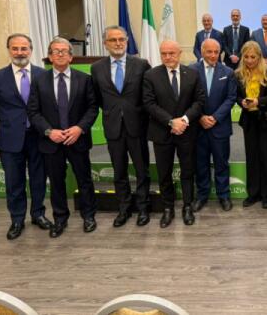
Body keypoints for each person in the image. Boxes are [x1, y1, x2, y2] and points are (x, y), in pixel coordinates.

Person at [27, 37, 99, 238]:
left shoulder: (84, 79)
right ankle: (60, 219)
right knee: (57, 182)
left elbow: (92, 108)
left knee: (84, 180)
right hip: (51, 142)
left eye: (64, 51)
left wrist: (79, 128)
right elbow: (33, 111)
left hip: (77, 139)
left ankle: (89, 216)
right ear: (50, 57)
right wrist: (49, 131)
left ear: (71, 56)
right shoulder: (39, 80)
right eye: (55, 51)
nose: (60, 54)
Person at [91, 25, 152, 228]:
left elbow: (147, 95)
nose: (118, 43)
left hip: (137, 126)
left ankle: (143, 208)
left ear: (127, 41)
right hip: (113, 127)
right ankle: (124, 208)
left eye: (121, 39)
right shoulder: (97, 68)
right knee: (119, 171)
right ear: (105, 43)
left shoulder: (141, 64)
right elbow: (98, 98)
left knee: (142, 170)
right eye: (113, 40)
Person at [143, 40, 206, 228]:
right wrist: (171, 121)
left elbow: (199, 101)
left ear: (180, 54)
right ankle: (167, 208)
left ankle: (187, 207)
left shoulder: (192, 74)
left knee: (187, 171)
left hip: (187, 132)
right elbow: (149, 104)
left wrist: (184, 120)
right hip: (162, 132)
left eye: (171, 53)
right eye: (164, 53)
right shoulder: (151, 75)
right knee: (164, 173)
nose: (168, 57)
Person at [0, 34, 52, 240]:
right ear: (9, 50)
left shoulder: (43, 75)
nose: (20, 53)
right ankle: (17, 219)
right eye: (15, 48)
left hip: (38, 137)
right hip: (10, 139)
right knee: (14, 182)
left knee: (39, 179)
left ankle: (38, 214)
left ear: (31, 50)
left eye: (24, 48)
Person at [190, 38, 237, 213]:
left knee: (221, 163)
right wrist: (200, 117)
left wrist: (215, 118)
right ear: (202, 52)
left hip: (220, 127)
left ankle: (224, 195)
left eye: (216, 52)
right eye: (209, 51)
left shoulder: (228, 72)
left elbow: (231, 98)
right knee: (200, 163)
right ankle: (201, 196)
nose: (213, 55)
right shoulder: (191, 70)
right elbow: (188, 97)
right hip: (198, 127)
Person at [235, 41, 267, 208]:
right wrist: (242, 102)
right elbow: (236, 96)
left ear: (259, 57)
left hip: (265, 120)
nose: (249, 60)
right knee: (251, 157)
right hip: (249, 120)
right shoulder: (238, 74)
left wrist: (259, 101)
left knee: (266, 157)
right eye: (246, 57)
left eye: (253, 57)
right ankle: (253, 194)